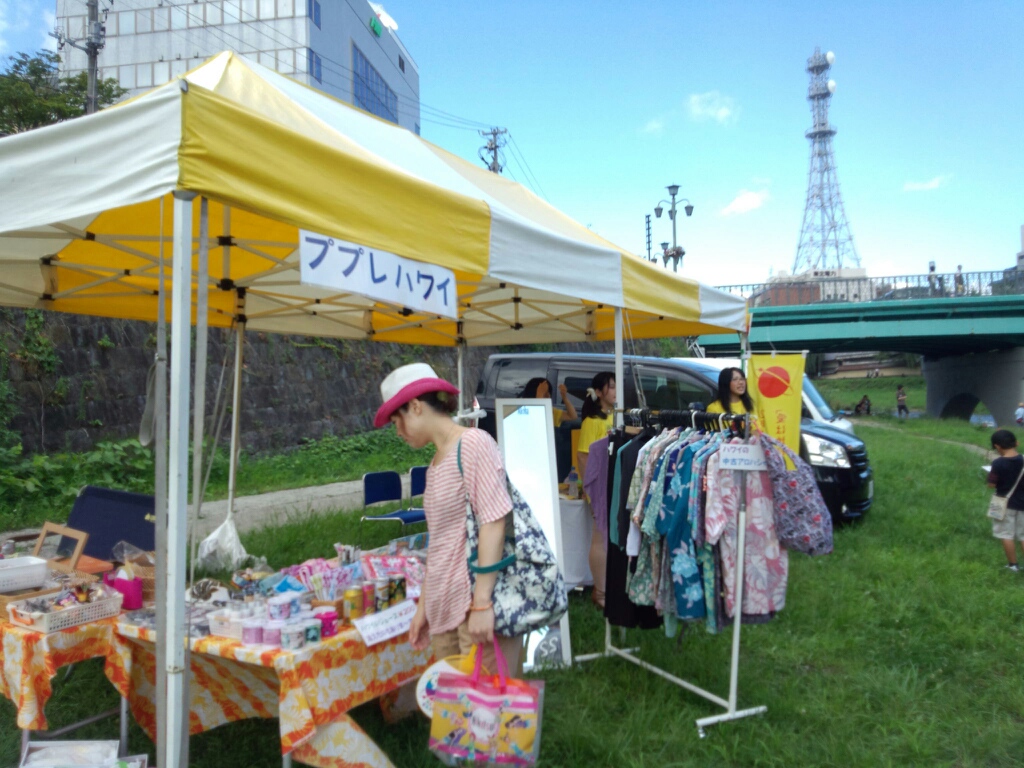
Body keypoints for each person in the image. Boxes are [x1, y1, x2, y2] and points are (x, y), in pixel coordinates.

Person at [374, 362, 523, 672]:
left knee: (484, 699)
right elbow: (441, 542)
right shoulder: (436, 463)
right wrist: (423, 609)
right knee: (453, 700)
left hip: (475, 607)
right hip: (444, 609)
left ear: (416, 407)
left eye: (397, 421)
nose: (398, 432)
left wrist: (482, 603)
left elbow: (494, 522)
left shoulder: (472, 444)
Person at [575, 371, 616, 609]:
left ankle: (608, 586)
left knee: (609, 537)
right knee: (600, 537)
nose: (615, 391)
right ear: (599, 392)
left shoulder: (615, 417)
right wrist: (589, 490)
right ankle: (600, 591)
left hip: (613, 484)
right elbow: (583, 457)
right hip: (599, 487)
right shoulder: (591, 422)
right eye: (611, 387)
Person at [987, 429, 1024, 571]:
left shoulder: (998, 463)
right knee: (1023, 535)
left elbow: (991, 484)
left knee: (1006, 534)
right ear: (1016, 443)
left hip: (1004, 504)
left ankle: (1013, 565)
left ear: (997, 446)